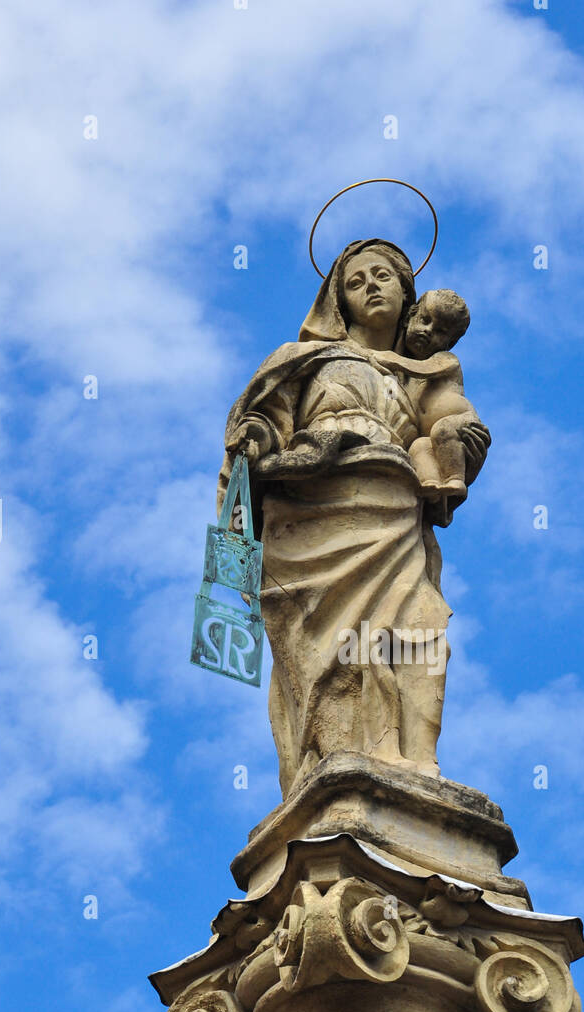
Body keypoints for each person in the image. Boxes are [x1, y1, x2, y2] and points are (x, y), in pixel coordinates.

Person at [217, 240, 490, 798]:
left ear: (408, 295)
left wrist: (458, 438)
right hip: (315, 514)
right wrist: (256, 438)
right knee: (329, 645)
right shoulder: (303, 361)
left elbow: (454, 426)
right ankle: (337, 757)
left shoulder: (422, 374)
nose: (370, 285)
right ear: (338, 299)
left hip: (395, 511)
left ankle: (412, 762)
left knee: (415, 627)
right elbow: (266, 426)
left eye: (383, 276)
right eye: (356, 279)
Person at [402, 289, 482, 507]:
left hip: (461, 422)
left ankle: (455, 480)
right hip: (431, 436)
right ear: (410, 316)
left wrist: (383, 358)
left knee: (443, 431)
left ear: (450, 342)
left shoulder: (445, 359)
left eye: (440, 331)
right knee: (419, 448)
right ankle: (431, 485)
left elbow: (420, 368)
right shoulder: (402, 381)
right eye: (425, 320)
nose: (428, 331)